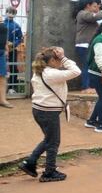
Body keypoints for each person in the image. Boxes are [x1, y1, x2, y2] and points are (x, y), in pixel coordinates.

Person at [17, 47, 81, 182]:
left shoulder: (40, 71)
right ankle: (49, 172)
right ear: (52, 60)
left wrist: (60, 57)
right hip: (48, 112)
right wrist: (64, 57)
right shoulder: (51, 74)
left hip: (39, 110)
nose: (61, 63)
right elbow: (76, 71)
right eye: (59, 60)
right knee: (53, 142)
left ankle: (30, 163)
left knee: (49, 139)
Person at [73, 0, 102, 93]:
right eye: (94, 6)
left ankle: (89, 86)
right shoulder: (83, 14)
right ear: (88, 6)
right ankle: (85, 87)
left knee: (89, 66)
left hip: (87, 44)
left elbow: (97, 22)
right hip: (83, 45)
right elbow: (95, 17)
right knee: (86, 66)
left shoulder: (86, 15)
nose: (96, 9)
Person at [3, 8, 23, 94]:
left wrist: (13, 44)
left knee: (13, 67)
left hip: (12, 50)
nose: (11, 14)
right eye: (9, 12)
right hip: (1, 50)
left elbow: (20, 38)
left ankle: (12, 88)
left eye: (13, 13)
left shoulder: (17, 26)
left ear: (15, 14)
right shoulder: (2, 24)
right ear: (6, 13)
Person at [0, 18, 11, 108]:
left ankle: (2, 100)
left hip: (1, 51)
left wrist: (6, 45)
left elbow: (4, 36)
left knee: (2, 77)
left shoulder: (2, 22)